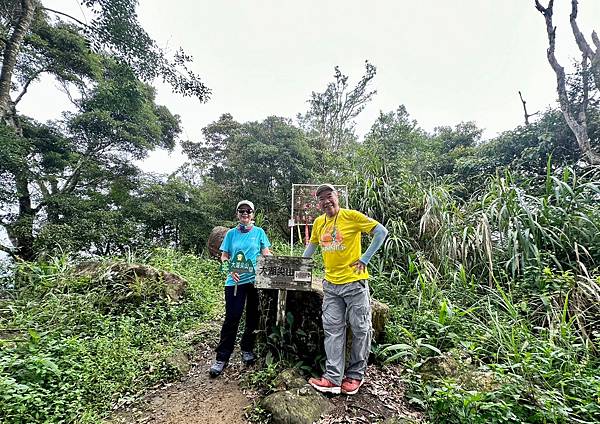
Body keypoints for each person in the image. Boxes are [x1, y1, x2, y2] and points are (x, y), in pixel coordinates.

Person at [303, 184, 388, 395]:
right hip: (331, 285)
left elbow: (381, 231)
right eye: (321, 198)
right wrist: (297, 264)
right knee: (333, 331)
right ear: (318, 203)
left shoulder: (351, 216)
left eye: (329, 195)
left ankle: (354, 376)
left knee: (360, 328)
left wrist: (365, 258)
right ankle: (332, 378)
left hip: (354, 284)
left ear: (336, 197)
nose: (326, 201)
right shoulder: (319, 223)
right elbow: (312, 247)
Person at [209, 200, 271, 377]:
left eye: (248, 211)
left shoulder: (259, 232)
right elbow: (224, 256)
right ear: (237, 214)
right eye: (241, 211)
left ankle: (247, 348)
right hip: (234, 282)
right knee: (232, 317)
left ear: (253, 214)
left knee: (253, 316)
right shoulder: (231, 234)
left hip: (254, 281)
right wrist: (229, 269)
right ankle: (222, 357)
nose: (245, 214)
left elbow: (265, 253)